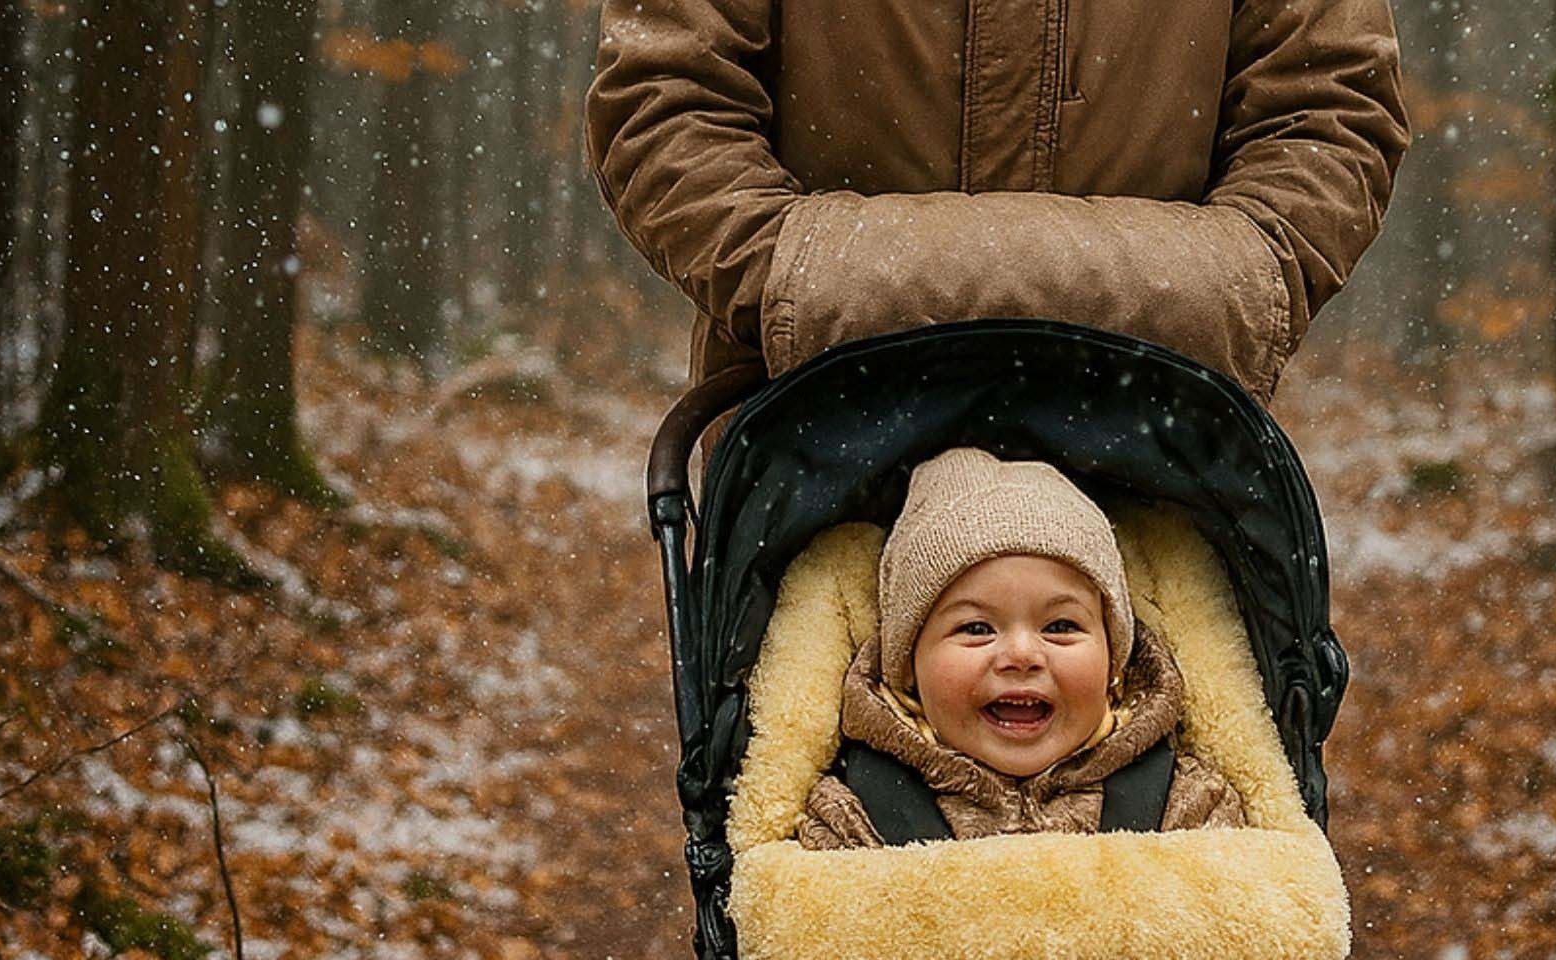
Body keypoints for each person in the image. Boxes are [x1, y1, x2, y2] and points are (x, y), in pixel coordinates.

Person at [585, 0, 1410, 405]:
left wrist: (1235, 286)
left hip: (1167, 431)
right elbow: (668, 104)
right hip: (817, 438)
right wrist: (796, 282)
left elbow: (1327, 113)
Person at [796, 447, 1245, 851]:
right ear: (908, 664)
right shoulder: (853, 814)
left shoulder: (1185, 805)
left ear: (1115, 661)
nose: (1022, 654)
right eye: (976, 628)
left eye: (1061, 626)